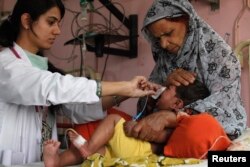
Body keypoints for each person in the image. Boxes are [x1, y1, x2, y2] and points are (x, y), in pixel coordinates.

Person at [0, 0, 157, 165]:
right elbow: (53, 87)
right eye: (51, 22)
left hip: (40, 160)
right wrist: (124, 86)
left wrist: (125, 93)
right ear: (26, 21)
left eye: (59, 24)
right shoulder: (6, 65)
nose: (58, 31)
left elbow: (78, 107)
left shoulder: (44, 70)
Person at [127, 0, 247, 143]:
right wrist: (163, 87)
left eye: (168, 33)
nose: (163, 44)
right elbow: (144, 106)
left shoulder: (222, 57)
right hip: (169, 134)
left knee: (198, 133)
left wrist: (172, 117)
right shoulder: (165, 59)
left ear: (187, 21)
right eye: (158, 38)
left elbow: (225, 110)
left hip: (202, 132)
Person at [42, 79, 229, 167]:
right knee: (103, 151)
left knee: (113, 120)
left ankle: (86, 148)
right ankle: (58, 162)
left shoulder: (177, 121)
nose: (162, 90)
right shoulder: (174, 121)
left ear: (178, 104)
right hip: (134, 152)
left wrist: (135, 126)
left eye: (168, 90)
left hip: (141, 148)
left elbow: (139, 130)